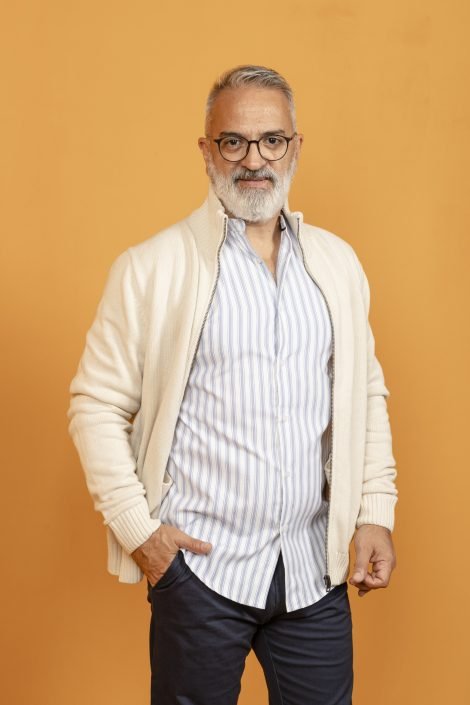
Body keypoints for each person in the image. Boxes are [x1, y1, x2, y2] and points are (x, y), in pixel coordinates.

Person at [67, 64, 398, 705]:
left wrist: (374, 513)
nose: (254, 160)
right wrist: (142, 535)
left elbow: (365, 397)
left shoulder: (337, 264)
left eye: (272, 140)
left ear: (295, 147)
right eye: (234, 142)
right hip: (199, 574)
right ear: (206, 150)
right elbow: (96, 404)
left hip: (313, 569)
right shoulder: (151, 268)